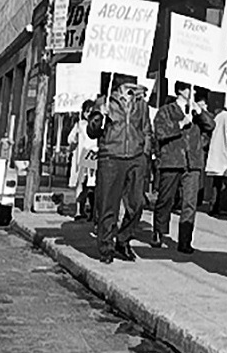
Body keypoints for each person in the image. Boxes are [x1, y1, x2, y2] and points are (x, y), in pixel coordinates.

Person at [87, 75, 153, 264]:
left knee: (137, 203)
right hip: (111, 158)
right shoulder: (105, 100)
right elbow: (92, 132)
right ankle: (106, 246)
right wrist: (99, 115)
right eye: (130, 84)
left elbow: (146, 129)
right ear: (121, 85)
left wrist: (144, 154)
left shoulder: (141, 104)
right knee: (108, 204)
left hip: (135, 157)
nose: (134, 87)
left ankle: (123, 239)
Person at [152, 82, 215, 253]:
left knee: (190, 202)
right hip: (172, 160)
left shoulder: (196, 110)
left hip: (192, 162)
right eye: (189, 88)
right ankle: (159, 231)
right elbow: (159, 132)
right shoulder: (166, 110)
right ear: (181, 90)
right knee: (166, 199)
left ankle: (185, 240)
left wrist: (200, 112)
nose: (193, 91)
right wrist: (179, 124)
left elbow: (210, 126)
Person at [68, 100, 98, 221]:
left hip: (94, 156)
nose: (89, 114)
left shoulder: (97, 124)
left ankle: (92, 211)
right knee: (81, 184)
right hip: (83, 157)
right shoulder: (80, 125)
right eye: (87, 111)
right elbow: (71, 139)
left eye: (91, 111)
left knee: (93, 184)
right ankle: (79, 210)